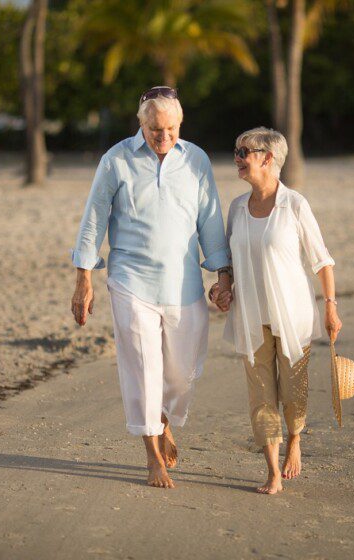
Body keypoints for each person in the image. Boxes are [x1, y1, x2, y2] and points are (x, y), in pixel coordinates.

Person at [71, 86, 231, 489]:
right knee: (142, 369)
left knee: (181, 374)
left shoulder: (195, 160)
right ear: (140, 123)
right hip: (130, 281)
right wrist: (83, 279)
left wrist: (222, 274)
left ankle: (164, 420)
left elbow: (210, 219)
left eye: (171, 129)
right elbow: (94, 218)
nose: (163, 138)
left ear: (181, 124)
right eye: (155, 129)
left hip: (185, 284)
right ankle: (152, 457)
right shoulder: (116, 160)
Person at [210, 127, 342, 495]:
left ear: (268, 159)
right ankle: (271, 470)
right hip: (251, 316)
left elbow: (322, 262)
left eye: (244, 152)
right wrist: (222, 286)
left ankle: (295, 438)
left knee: (293, 394)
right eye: (236, 150)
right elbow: (229, 263)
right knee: (260, 398)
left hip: (293, 315)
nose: (237, 158)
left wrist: (331, 308)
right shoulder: (237, 207)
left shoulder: (295, 205)